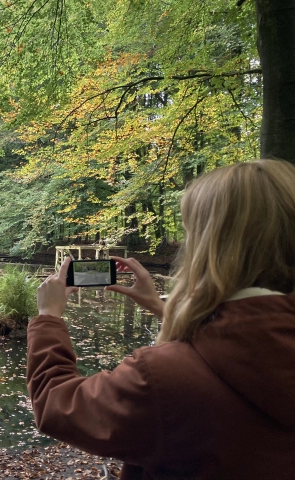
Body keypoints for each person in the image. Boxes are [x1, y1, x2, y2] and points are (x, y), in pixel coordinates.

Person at [26, 159, 295, 479]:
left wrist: (48, 318)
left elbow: (56, 403)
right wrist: (162, 308)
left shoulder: (161, 378)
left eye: (190, 232)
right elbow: (251, 345)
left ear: (209, 246)